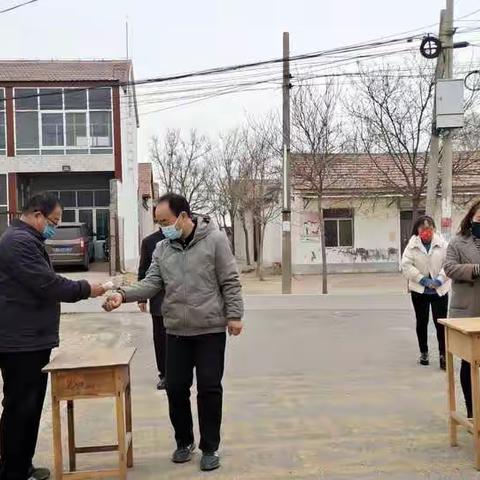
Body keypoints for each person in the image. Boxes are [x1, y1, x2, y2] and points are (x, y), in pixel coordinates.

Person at [103, 193, 244, 472]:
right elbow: (151, 282)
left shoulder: (214, 240)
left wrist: (235, 315)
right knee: (176, 388)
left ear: (183, 216)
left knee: (209, 388)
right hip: (177, 330)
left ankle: (210, 447)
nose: (162, 227)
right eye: (158, 222)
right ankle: (184, 441)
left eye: (165, 221)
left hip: (209, 329)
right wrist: (122, 294)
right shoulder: (162, 249)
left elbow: (230, 280)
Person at [0, 193, 106, 480]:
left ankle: (22, 464)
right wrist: (87, 289)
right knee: (20, 406)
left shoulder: (26, 240)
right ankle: (13, 471)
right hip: (20, 341)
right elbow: (47, 284)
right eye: (53, 222)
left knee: (29, 405)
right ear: (37, 215)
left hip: (30, 337)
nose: (54, 228)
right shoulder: (18, 243)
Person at [444, 199, 480, 418]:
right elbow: (449, 268)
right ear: (471, 218)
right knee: (469, 363)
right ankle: (471, 410)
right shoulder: (458, 242)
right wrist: (475, 269)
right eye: (479, 219)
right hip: (467, 310)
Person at [401, 215, 451, 370]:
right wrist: (422, 279)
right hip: (420, 291)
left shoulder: (442, 244)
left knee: (440, 324)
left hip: (439, 291)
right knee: (421, 322)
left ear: (434, 229)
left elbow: (449, 263)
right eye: (423, 228)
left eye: (429, 228)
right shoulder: (412, 246)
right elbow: (406, 266)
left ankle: (443, 355)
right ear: (417, 229)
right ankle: (424, 352)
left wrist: (439, 280)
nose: (426, 231)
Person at [138, 208, 166, 390]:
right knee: (161, 338)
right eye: (160, 221)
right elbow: (144, 269)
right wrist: (141, 297)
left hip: (181, 301)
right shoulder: (150, 242)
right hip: (158, 298)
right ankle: (164, 374)